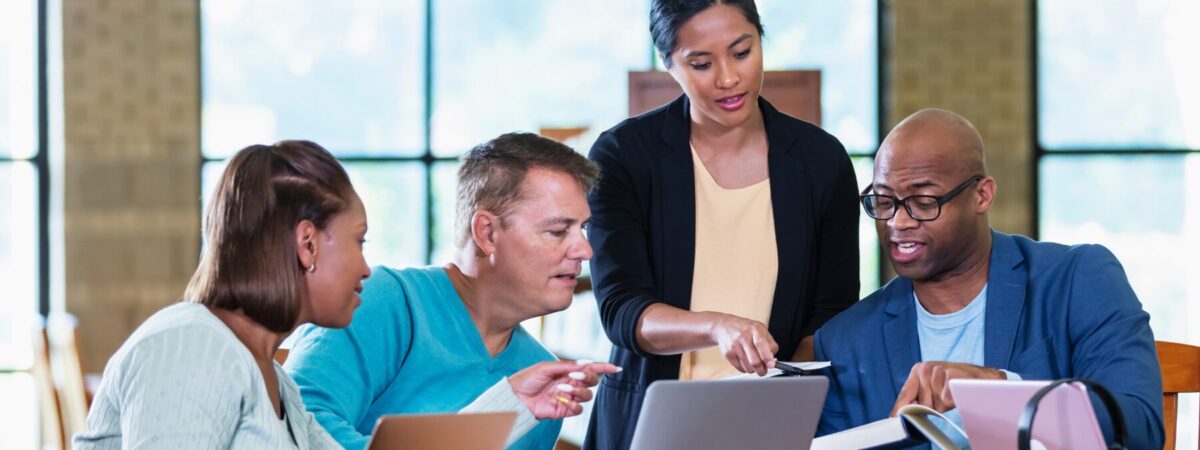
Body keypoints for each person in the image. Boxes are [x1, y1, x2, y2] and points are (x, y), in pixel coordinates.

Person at [583, 0, 861, 448]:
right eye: (701, 63)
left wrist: (783, 395)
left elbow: (832, 314)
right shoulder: (623, 157)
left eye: (742, 52)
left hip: (772, 424)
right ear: (668, 63)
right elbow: (622, 310)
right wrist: (717, 326)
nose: (728, 78)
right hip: (652, 421)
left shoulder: (820, 161)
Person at [814, 109, 1164, 449]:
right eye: (885, 201)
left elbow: (1139, 428)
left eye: (922, 201)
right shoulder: (846, 340)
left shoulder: (1077, 280)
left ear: (982, 195)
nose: (897, 223)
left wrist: (999, 389)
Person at [285, 133, 620, 450]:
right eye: (558, 231)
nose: (584, 251)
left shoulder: (542, 378)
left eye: (583, 229)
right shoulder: (380, 302)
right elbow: (298, 428)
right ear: (487, 233)